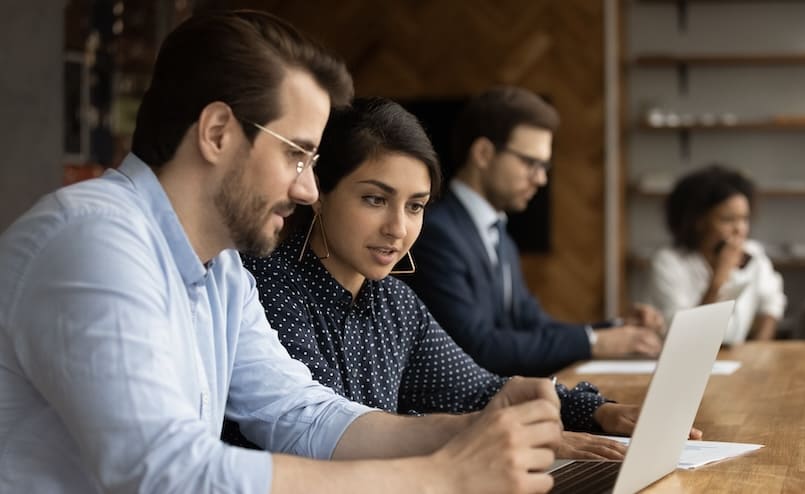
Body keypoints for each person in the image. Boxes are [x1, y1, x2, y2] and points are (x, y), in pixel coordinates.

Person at [0, 11, 563, 493]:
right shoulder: (94, 240)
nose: (308, 190)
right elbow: (164, 473)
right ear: (218, 132)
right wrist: (440, 477)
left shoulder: (220, 269)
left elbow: (300, 414)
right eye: (298, 155)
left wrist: (472, 431)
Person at [238, 97, 649, 461]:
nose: (398, 228)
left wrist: (597, 411)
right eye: (375, 199)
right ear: (319, 192)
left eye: (415, 206)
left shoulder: (394, 301)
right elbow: (327, 433)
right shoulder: (269, 286)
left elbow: (475, 390)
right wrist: (480, 432)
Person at [405, 86, 663, 377]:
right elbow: (476, 347)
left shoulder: (500, 236)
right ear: (484, 153)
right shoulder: (435, 233)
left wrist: (617, 330)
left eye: (544, 166)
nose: (540, 179)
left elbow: (534, 325)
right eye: (531, 163)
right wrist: (595, 342)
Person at [646, 164, 786, 344]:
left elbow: (771, 303)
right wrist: (719, 279)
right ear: (698, 221)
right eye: (728, 220)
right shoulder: (668, 263)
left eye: (744, 219)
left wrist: (760, 348)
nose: (740, 230)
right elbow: (687, 337)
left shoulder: (754, 254)